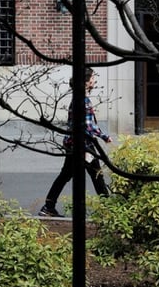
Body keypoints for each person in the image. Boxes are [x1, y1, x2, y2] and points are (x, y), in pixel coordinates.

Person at [39, 68, 112, 217]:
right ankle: (109, 211)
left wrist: (102, 136)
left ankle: (48, 206)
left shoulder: (78, 98)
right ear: (85, 82)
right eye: (92, 78)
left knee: (66, 175)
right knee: (97, 176)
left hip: (75, 144)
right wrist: (104, 136)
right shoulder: (83, 101)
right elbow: (88, 126)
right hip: (83, 145)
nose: (94, 80)